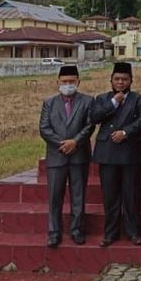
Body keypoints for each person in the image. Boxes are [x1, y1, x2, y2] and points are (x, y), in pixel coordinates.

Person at [90, 62, 141, 247]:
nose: (121, 82)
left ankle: (133, 232)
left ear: (131, 80)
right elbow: (95, 117)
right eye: (117, 79)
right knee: (110, 196)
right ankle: (110, 233)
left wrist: (125, 132)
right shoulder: (102, 99)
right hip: (107, 153)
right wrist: (114, 102)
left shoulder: (139, 99)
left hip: (130, 152)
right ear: (111, 80)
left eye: (124, 79)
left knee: (131, 194)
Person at [39, 64, 94, 248]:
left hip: (79, 155)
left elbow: (89, 126)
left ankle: (77, 229)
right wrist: (62, 143)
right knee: (55, 196)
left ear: (78, 81)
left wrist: (75, 142)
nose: (68, 84)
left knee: (78, 195)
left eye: (71, 81)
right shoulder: (49, 103)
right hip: (57, 156)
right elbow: (44, 128)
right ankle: (54, 232)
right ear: (58, 82)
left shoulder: (87, 101)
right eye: (64, 82)